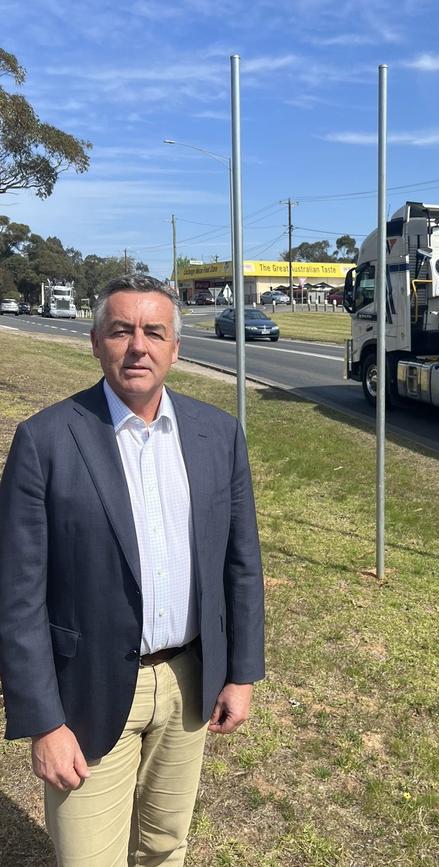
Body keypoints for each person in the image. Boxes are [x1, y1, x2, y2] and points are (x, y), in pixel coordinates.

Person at [0, 274, 265, 865]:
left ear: (177, 348)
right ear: (96, 342)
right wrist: (43, 721)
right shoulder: (45, 440)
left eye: (154, 332)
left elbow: (241, 563)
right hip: (85, 693)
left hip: (187, 682)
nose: (137, 346)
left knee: (165, 846)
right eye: (121, 330)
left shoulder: (217, 434)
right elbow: (15, 596)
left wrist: (241, 673)